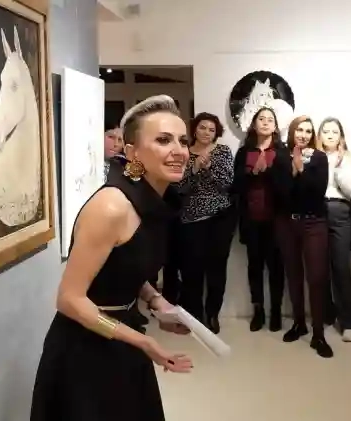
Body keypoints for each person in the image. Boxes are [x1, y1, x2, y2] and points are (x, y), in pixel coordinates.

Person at [30, 95, 193, 421]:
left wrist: (156, 302)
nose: (179, 150)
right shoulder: (111, 207)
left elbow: (125, 263)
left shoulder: (153, 203)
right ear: (132, 153)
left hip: (123, 336)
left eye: (183, 141)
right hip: (84, 350)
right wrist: (144, 343)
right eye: (163, 140)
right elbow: (69, 300)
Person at [271, 116, 332, 357]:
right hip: (287, 223)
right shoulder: (280, 157)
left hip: (314, 222)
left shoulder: (319, 158)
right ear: (292, 132)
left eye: (308, 131)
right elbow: (281, 193)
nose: (303, 135)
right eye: (299, 130)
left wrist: (301, 170)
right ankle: (299, 323)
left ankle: (319, 334)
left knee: (316, 277)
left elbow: (317, 192)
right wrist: (293, 172)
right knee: (293, 274)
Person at [175, 112, 235, 334]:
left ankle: (212, 314)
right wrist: (194, 169)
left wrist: (209, 168)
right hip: (191, 220)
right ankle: (194, 316)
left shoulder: (222, 152)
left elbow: (227, 183)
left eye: (211, 129)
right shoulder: (183, 152)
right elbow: (178, 187)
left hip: (220, 219)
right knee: (192, 270)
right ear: (194, 129)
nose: (206, 133)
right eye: (202, 127)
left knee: (216, 269)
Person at [231, 107, 287, 332]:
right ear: (254, 125)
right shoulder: (244, 152)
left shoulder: (282, 151)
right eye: (261, 119)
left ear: (275, 126)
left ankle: (276, 312)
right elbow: (235, 186)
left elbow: (287, 187)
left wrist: (268, 172)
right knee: (255, 267)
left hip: (277, 221)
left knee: (276, 268)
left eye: (270, 119)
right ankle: (258, 311)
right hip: (251, 220)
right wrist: (253, 173)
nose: (265, 122)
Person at [318, 117, 351, 342]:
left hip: (339, 210)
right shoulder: (312, 156)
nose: (330, 135)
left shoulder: (348, 158)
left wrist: (336, 169)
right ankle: (327, 314)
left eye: (334, 131)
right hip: (316, 211)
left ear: (341, 137)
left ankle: (349, 322)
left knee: (341, 267)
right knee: (318, 268)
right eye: (325, 131)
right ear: (319, 135)